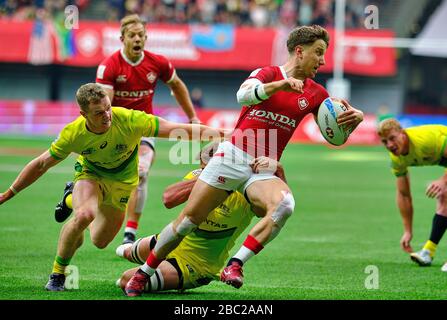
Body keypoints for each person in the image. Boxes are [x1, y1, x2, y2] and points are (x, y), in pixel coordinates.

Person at [124, 25, 364, 296]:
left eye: (324, 54)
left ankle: (235, 264)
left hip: (263, 167)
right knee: (188, 220)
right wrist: (280, 85)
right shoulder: (269, 73)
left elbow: (334, 134)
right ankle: (144, 273)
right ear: (300, 51)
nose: (322, 61)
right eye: (318, 53)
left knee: (284, 205)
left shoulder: (315, 93)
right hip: (234, 155)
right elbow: (244, 95)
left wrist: (356, 118)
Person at [0, 83, 224, 291]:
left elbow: (175, 128)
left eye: (108, 108)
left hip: (123, 184)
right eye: (99, 113)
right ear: (84, 114)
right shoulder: (73, 133)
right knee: (85, 215)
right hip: (91, 174)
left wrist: (225, 135)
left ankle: (70, 198)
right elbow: (40, 164)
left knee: (100, 240)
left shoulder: (128, 119)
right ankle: (58, 274)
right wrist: (10, 192)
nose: (107, 115)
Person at [55, 14, 201, 245]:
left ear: (146, 37)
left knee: (142, 172)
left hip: (142, 129)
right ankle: (74, 198)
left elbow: (177, 85)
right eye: (132, 35)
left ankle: (129, 233)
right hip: (115, 132)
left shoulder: (158, 62)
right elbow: (105, 105)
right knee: (103, 191)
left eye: (141, 35)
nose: (137, 39)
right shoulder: (110, 65)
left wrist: (192, 117)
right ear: (122, 38)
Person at [115, 144, 287, 293]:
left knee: (124, 280)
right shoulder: (200, 177)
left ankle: (167, 272)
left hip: (195, 265)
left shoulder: (246, 191)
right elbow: (169, 199)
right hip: (172, 241)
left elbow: (269, 209)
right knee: (128, 252)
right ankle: (128, 249)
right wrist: (208, 177)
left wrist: (279, 171)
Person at [377, 118, 447, 272]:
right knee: (444, 198)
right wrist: (408, 230)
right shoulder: (397, 157)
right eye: (384, 142)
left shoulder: (425, 139)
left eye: (392, 138)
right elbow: (404, 195)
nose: (389, 145)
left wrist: (443, 180)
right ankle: (428, 251)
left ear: (402, 134)